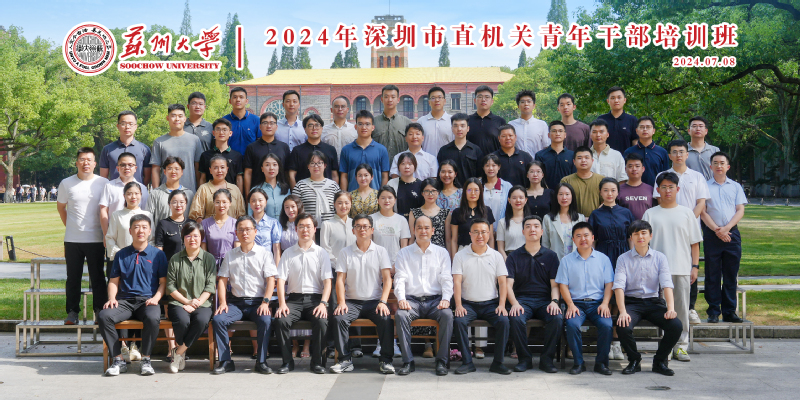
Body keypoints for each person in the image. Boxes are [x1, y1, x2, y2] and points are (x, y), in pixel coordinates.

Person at [643, 172, 702, 362]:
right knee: (662, 311)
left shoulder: (687, 213)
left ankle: (681, 346)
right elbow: (643, 243)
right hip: (656, 272)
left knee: (682, 309)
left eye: (671, 187)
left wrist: (694, 266)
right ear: (657, 190)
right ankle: (666, 346)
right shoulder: (650, 214)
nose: (667, 191)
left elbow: (695, 243)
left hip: (682, 268)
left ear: (677, 189)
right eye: (664, 187)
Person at [99, 214, 168, 376]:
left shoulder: (158, 255)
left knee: (153, 318)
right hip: (125, 301)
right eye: (136, 227)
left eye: (144, 227)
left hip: (148, 301)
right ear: (130, 231)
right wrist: (112, 299)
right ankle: (118, 360)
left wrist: (156, 298)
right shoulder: (121, 254)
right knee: (104, 316)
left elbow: (163, 282)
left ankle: (146, 359)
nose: (140, 231)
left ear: (150, 231)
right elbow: (113, 281)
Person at [614, 220, 683, 376]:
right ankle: (634, 360)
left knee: (676, 325)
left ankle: (659, 361)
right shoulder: (623, 259)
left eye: (644, 233)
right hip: (632, 302)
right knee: (623, 326)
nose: (640, 237)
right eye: (636, 234)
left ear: (650, 236)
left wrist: (671, 308)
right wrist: (622, 311)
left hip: (654, 302)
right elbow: (619, 286)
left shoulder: (660, 258)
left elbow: (667, 284)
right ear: (631, 237)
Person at [329, 214, 395, 374]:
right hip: (352, 301)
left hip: (375, 302)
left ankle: (386, 361)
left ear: (372, 230)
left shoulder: (380, 251)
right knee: (339, 318)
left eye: (365, 226)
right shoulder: (345, 252)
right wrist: (341, 302)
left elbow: (387, 279)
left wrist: (383, 301)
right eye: (358, 226)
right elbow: (340, 280)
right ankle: (345, 360)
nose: (362, 229)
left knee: (385, 318)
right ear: (353, 230)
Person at [211, 215, 278, 375]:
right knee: (218, 320)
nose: (244, 233)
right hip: (236, 303)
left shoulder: (264, 253)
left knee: (266, 320)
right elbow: (222, 280)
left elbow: (271, 280)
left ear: (255, 231)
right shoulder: (230, 254)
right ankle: (226, 361)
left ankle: (261, 361)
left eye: (248, 229)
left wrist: (265, 302)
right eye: (241, 230)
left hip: (258, 303)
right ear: (236, 233)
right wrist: (223, 302)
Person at [654, 140, 710, 325]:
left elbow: (701, 202)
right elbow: (659, 200)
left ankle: (690, 308)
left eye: (681, 152)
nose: (678, 155)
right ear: (669, 155)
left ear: (687, 154)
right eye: (674, 152)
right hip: (667, 226)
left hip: (689, 227)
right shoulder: (662, 176)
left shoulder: (697, 176)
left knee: (689, 270)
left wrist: (687, 220)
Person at [394, 215, 454, 376]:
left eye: (426, 227)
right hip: (412, 301)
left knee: (447, 315)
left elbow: (446, 278)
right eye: (419, 228)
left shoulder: (441, 253)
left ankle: (442, 360)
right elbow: (400, 279)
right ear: (414, 231)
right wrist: (401, 299)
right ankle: (408, 361)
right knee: (401, 315)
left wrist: (446, 299)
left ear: (433, 231)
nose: (423, 231)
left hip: (435, 301)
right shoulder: (404, 253)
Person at [274, 213, 332, 374]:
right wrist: (282, 304)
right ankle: (287, 362)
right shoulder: (288, 253)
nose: (305, 230)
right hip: (293, 300)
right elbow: (280, 281)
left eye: (308, 227)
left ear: (314, 229)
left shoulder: (321, 253)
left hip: (315, 300)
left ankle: (317, 362)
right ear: (295, 229)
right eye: (301, 226)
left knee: (322, 321)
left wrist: (323, 304)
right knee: (280, 320)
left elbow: (327, 282)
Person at [452, 218, 511, 375]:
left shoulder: (496, 256)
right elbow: (456, 282)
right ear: (470, 234)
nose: (480, 235)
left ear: (489, 234)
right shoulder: (460, 255)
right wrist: (458, 305)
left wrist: (502, 305)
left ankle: (498, 363)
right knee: (459, 321)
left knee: (504, 321)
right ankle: (467, 362)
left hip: (491, 304)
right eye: (476, 232)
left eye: (484, 232)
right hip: (468, 304)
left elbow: (503, 283)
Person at [57, 147, 109, 324]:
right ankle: (72, 312)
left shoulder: (103, 183)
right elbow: (61, 208)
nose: (85, 163)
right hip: (73, 239)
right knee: (73, 277)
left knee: (98, 277)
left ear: (95, 163)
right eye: (82, 159)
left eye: (89, 160)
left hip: (96, 238)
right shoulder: (66, 183)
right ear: (76, 162)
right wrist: (71, 226)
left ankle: (99, 311)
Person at [506, 215, 563, 373]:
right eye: (528, 226)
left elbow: (555, 285)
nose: (532, 229)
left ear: (542, 231)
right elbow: (508, 285)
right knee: (516, 317)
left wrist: (554, 302)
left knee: (557, 317)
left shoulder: (551, 256)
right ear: (523, 232)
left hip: (545, 301)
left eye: (536, 226)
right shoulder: (513, 256)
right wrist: (515, 304)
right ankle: (525, 359)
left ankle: (547, 360)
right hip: (522, 300)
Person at [557, 222, 615, 375]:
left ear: (593, 238)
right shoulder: (566, 261)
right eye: (578, 236)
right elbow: (563, 285)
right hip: (576, 304)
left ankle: (601, 364)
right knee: (572, 324)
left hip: (598, 304)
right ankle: (578, 363)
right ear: (573, 240)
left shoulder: (603, 259)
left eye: (586, 235)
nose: (583, 239)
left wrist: (605, 303)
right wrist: (570, 305)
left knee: (606, 325)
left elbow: (609, 284)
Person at [700, 152, 747, 323]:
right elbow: (703, 212)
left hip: (732, 233)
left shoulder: (735, 186)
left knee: (730, 274)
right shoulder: (704, 186)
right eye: (715, 163)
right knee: (712, 274)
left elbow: (740, 210)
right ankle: (713, 311)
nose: (718, 166)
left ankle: (729, 311)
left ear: (727, 166)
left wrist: (726, 229)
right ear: (710, 166)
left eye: (722, 163)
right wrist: (717, 230)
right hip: (712, 234)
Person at [166, 219, 216, 373]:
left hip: (202, 303)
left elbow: (210, 286)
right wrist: (187, 301)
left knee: (201, 320)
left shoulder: (208, 258)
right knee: (182, 321)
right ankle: (180, 354)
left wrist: (196, 303)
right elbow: (170, 286)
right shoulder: (175, 259)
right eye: (188, 236)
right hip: (179, 303)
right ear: (183, 238)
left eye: (196, 236)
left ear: (201, 238)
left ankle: (178, 352)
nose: (192, 239)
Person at [320, 192, 357, 358]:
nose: (343, 206)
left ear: (351, 204)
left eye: (346, 202)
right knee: (335, 307)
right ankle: (332, 346)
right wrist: (340, 265)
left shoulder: (355, 223)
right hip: (335, 272)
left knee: (354, 305)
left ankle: (355, 346)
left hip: (355, 272)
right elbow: (325, 249)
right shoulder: (327, 224)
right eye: (340, 203)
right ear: (334, 205)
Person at [99, 152, 150, 245]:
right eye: (123, 165)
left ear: (135, 168)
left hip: (137, 236)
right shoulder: (109, 186)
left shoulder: (142, 188)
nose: (127, 168)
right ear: (117, 168)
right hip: (114, 234)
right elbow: (103, 211)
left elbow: (145, 211)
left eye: (130, 165)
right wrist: (106, 234)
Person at [150, 104, 203, 190]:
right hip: (166, 192)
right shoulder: (159, 142)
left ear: (185, 118)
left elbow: (197, 168)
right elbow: (155, 169)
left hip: (189, 191)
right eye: (173, 116)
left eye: (180, 116)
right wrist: (156, 192)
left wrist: (198, 190)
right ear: (168, 118)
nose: (177, 119)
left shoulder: (195, 140)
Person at [589, 178, 635, 270]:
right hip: (602, 253)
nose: (609, 194)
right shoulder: (595, 214)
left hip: (624, 252)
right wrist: (592, 258)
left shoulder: (626, 213)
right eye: (605, 190)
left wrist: (633, 257)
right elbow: (592, 240)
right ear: (600, 192)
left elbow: (631, 238)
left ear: (618, 192)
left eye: (613, 190)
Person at [339, 110, 391, 191]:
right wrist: (344, 196)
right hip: (352, 197)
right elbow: (344, 176)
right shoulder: (346, 150)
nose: (364, 127)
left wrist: (382, 195)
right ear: (355, 127)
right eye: (360, 124)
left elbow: (384, 176)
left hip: (375, 197)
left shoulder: (381, 150)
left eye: (367, 124)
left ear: (373, 127)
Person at [99, 111, 152, 185]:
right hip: (115, 190)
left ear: (136, 127)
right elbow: (103, 177)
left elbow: (147, 177)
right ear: (118, 126)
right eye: (123, 124)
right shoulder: (107, 149)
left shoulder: (144, 149)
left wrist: (138, 189)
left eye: (131, 124)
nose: (127, 127)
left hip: (137, 191)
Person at [243, 112, 290, 195]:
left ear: (276, 127)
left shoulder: (284, 147)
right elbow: (248, 173)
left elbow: (287, 172)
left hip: (280, 192)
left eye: (272, 123)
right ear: (260, 126)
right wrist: (247, 196)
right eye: (265, 123)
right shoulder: (251, 147)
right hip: (257, 193)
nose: (268, 126)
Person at [189, 155, 246, 222]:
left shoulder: (235, 189)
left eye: (222, 167)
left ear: (227, 169)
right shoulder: (203, 189)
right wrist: (205, 226)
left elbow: (241, 214)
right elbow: (196, 215)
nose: (219, 171)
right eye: (215, 168)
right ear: (210, 170)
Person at [287, 114, 339, 187]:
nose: (314, 128)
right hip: (304, 191)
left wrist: (334, 191)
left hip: (326, 191)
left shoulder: (330, 150)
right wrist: (296, 192)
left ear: (322, 128)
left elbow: (334, 175)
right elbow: (292, 175)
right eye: (310, 125)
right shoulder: (297, 151)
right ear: (305, 129)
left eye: (317, 125)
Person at [105, 182, 153, 260]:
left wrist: (144, 254)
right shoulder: (117, 215)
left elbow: (152, 239)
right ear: (124, 196)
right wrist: (120, 254)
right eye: (129, 194)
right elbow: (110, 238)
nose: (133, 197)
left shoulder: (148, 215)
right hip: (122, 258)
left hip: (143, 258)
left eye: (136, 193)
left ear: (141, 195)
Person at [450, 178, 495, 259]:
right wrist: (454, 259)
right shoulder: (457, 212)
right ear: (465, 192)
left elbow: (491, 237)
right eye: (469, 190)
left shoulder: (487, 211)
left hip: (484, 253)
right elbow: (454, 240)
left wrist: (491, 256)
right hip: (463, 253)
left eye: (476, 190)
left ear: (480, 192)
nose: (473, 193)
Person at [293, 151, 341, 226]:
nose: (316, 166)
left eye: (319, 163)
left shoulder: (333, 186)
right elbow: (295, 208)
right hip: (307, 228)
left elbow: (339, 207)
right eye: (312, 163)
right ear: (308, 166)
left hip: (331, 227)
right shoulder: (300, 185)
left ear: (325, 165)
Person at [198, 118, 244, 194]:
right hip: (210, 195)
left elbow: (239, 179)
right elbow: (203, 178)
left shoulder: (237, 156)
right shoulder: (205, 155)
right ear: (213, 133)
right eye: (218, 129)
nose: (221, 132)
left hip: (230, 195)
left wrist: (239, 196)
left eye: (224, 130)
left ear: (230, 133)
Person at [541, 183, 586, 260]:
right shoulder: (547, 218)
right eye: (561, 194)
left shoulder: (580, 218)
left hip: (576, 261)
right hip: (555, 261)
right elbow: (545, 244)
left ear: (572, 196)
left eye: (567, 194)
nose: (564, 197)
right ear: (556, 197)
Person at [438, 113, 483, 187]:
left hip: (470, 191)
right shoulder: (444, 151)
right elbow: (440, 174)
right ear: (452, 129)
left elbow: (480, 175)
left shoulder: (475, 150)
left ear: (468, 128)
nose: (459, 129)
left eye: (462, 126)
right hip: (449, 191)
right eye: (456, 126)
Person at [147, 157, 195, 227]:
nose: (173, 172)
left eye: (177, 169)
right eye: (170, 169)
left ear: (182, 172)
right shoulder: (155, 193)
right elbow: (149, 218)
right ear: (164, 171)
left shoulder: (189, 194)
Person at [622, 116, 668, 187]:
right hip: (633, 190)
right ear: (637, 131)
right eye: (642, 127)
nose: (645, 129)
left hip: (656, 191)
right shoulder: (629, 152)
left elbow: (665, 176)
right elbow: (624, 175)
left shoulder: (662, 152)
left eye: (648, 127)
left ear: (653, 131)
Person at [561, 146, 605, 218]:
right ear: (574, 162)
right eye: (579, 158)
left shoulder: (602, 180)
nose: (583, 160)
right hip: (573, 220)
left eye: (587, 158)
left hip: (597, 220)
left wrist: (594, 217)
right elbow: (563, 203)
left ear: (592, 161)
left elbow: (605, 202)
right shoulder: (566, 181)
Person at [200, 189, 240, 269]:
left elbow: (237, 248)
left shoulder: (235, 223)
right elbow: (203, 248)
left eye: (224, 202)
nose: (221, 205)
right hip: (211, 265)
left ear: (230, 203)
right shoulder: (205, 223)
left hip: (230, 264)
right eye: (218, 202)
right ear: (214, 203)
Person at [409, 178, 451, 250]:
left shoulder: (445, 213)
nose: (430, 194)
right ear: (422, 193)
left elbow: (448, 240)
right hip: (419, 251)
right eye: (427, 191)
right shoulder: (414, 212)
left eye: (433, 191)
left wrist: (449, 256)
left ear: (438, 192)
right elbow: (412, 238)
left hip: (439, 252)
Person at [373, 84, 411, 160]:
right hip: (379, 165)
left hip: (401, 165)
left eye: (393, 97)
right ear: (382, 99)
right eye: (386, 97)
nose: (390, 100)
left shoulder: (407, 123)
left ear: (398, 100)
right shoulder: (373, 122)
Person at [535, 121, 576, 191]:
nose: (557, 134)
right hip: (545, 193)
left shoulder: (572, 155)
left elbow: (574, 177)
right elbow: (538, 177)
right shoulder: (540, 155)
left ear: (565, 135)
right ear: (548, 135)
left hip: (567, 194)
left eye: (560, 131)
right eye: (554, 131)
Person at [249, 153, 291, 220]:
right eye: (267, 165)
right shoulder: (256, 190)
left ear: (279, 167)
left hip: (283, 226)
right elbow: (250, 214)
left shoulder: (286, 189)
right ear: (262, 169)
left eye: (274, 165)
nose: (271, 168)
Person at [597, 86, 638, 153]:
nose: (616, 101)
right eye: (613, 98)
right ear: (608, 101)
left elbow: (635, 142)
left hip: (626, 158)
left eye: (619, 97)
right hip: (605, 158)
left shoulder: (632, 120)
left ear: (624, 100)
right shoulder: (601, 120)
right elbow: (596, 141)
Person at [509, 90, 550, 157]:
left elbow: (546, 146)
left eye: (529, 101)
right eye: (522, 102)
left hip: (537, 162)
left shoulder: (542, 124)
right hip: (517, 161)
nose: (526, 104)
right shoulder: (511, 125)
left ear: (534, 105)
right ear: (518, 106)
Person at [467, 85, 506, 154]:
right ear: (475, 101)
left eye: (487, 97)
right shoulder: (467, 120)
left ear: (492, 101)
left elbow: (504, 144)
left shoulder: (500, 121)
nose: (483, 100)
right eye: (480, 97)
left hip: (494, 160)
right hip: (471, 160)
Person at [223, 87, 261, 156]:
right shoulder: (224, 121)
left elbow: (261, 143)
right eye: (235, 97)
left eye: (241, 97)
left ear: (246, 101)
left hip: (251, 160)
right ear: (230, 101)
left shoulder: (256, 120)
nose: (238, 100)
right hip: (229, 160)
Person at [249, 188, 282, 265]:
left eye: (260, 200)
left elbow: (276, 250)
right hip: (249, 263)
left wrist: (276, 269)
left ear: (266, 202)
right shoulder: (245, 223)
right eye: (253, 201)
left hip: (268, 263)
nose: (257, 204)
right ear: (249, 203)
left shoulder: (273, 223)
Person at [154, 190, 189, 261]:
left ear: (186, 204)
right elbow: (159, 249)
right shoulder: (163, 224)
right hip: (170, 265)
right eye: (174, 202)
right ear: (169, 204)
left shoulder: (191, 223)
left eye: (182, 202)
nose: (178, 205)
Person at [387, 152, 425, 219]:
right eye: (403, 164)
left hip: (417, 221)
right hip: (397, 220)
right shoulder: (391, 184)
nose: (407, 167)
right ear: (398, 167)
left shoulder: (421, 184)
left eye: (410, 164)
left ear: (415, 166)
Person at [497, 185, 530, 260]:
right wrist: (508, 262)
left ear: (526, 200)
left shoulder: (531, 221)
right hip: (509, 258)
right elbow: (500, 248)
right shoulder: (502, 222)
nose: (518, 200)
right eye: (514, 198)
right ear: (509, 200)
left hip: (528, 258)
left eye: (521, 198)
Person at [618, 153, 655, 220]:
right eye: (630, 166)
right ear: (625, 169)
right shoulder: (618, 190)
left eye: (637, 166)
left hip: (646, 226)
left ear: (643, 169)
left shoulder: (651, 190)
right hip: (625, 226)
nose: (634, 169)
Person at [418, 86, 453, 156]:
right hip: (427, 161)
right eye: (433, 98)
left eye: (439, 97)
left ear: (444, 101)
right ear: (429, 102)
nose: (437, 100)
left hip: (448, 161)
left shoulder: (452, 121)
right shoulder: (421, 122)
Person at [481, 154, 512, 230]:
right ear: (483, 168)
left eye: (494, 165)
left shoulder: (507, 186)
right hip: (482, 229)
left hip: (502, 228)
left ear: (499, 167)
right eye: (487, 165)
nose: (490, 168)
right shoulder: (478, 185)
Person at [686, 116, 720, 181]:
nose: (698, 129)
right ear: (689, 131)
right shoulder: (682, 151)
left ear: (706, 131)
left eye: (701, 126)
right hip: (690, 186)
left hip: (711, 186)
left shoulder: (715, 151)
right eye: (694, 126)